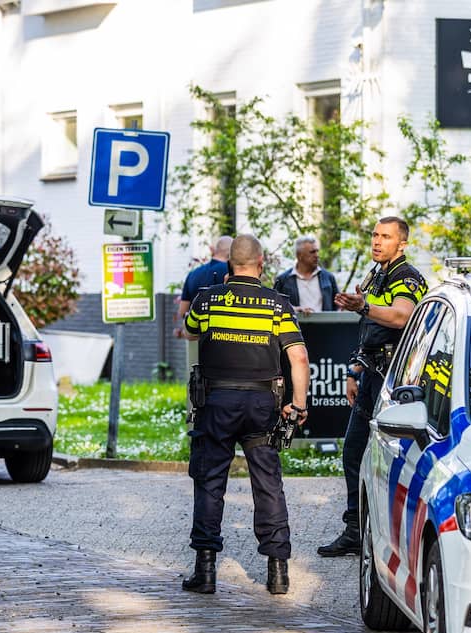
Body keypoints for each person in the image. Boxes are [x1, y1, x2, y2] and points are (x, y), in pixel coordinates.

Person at [182, 234, 310, 595]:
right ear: (261, 262)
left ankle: (205, 572)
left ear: (228, 266)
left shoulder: (207, 301)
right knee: (268, 483)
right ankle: (278, 573)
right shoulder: (277, 305)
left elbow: (190, 333)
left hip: (216, 402)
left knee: (210, 482)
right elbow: (298, 356)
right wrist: (298, 404)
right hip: (262, 405)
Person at [318, 217, 426, 557]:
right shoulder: (377, 273)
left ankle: (385, 535)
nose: (377, 242)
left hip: (393, 382)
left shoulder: (407, 277)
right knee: (352, 451)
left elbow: (400, 317)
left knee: (388, 459)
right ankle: (355, 529)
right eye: (375, 235)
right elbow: (371, 328)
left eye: (386, 237)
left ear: (402, 243)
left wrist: (364, 305)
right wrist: (354, 368)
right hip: (370, 375)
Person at [175, 236, 232, 339]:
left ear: (216, 250)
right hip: (222, 340)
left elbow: (183, 311)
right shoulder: (231, 272)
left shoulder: (193, 274)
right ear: (231, 253)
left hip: (195, 339)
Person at [273, 236, 337, 315]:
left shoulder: (328, 278)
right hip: (294, 326)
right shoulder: (283, 280)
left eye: (317, 251)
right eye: (312, 252)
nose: (317, 255)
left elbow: (338, 306)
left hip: (326, 326)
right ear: (299, 255)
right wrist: (293, 309)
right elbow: (274, 306)